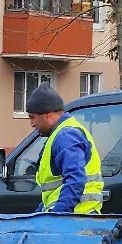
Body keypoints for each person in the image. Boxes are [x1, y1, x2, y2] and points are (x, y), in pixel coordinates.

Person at [27, 84, 103, 214]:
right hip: (76, 217)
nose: (32, 124)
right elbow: (53, 192)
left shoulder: (66, 136)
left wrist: (58, 217)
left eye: (32, 117)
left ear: (47, 114)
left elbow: (75, 180)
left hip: (77, 219)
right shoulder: (61, 134)